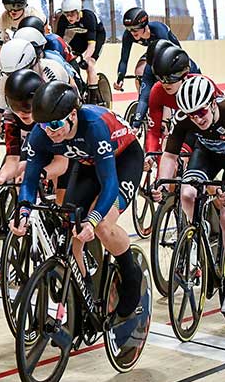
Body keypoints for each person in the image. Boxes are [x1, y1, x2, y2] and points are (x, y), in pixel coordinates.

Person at [12, 81, 144, 319]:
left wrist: (92, 221)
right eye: (44, 126)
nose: (51, 132)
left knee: (103, 226)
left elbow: (110, 185)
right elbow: (29, 181)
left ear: (72, 114)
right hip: (86, 162)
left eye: (55, 124)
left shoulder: (93, 126)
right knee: (69, 225)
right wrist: (22, 213)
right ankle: (85, 295)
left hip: (124, 160)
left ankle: (131, 272)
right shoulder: (41, 134)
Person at [155, 76, 225, 313]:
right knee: (187, 193)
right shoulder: (184, 118)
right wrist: (160, 184)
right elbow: (169, 156)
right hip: (206, 155)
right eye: (191, 115)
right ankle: (194, 237)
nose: (197, 119)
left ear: (213, 103)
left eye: (201, 112)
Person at [0, 37, 73, 154]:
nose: (16, 78)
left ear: (34, 62)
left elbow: (64, 114)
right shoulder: (5, 76)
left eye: (21, 71)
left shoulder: (50, 73)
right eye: (10, 74)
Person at [144, 43, 223, 173]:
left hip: (205, 129)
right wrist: (151, 155)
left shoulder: (202, 85)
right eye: (160, 78)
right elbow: (154, 130)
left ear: (184, 74)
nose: (165, 83)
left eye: (170, 78)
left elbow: (222, 114)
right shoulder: (157, 91)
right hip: (182, 126)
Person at [0, 68, 68, 187]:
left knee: (62, 193)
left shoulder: (53, 114)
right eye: (15, 107)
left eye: (28, 106)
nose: (22, 113)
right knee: (22, 171)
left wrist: (39, 174)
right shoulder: (11, 117)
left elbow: (62, 163)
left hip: (65, 154)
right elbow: (12, 160)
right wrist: (0, 176)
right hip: (38, 146)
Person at [118, 7, 195, 129]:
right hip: (154, 51)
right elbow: (124, 58)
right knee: (140, 71)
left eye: (134, 29)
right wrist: (120, 77)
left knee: (162, 77)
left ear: (144, 24)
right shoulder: (129, 35)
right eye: (128, 29)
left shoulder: (158, 30)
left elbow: (165, 59)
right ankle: (146, 100)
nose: (132, 32)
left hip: (172, 55)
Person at [55, 0, 107, 102]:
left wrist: (84, 58)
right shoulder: (63, 20)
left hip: (97, 36)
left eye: (72, 14)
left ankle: (93, 99)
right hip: (79, 35)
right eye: (66, 14)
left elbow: (91, 45)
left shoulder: (88, 17)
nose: (69, 17)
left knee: (89, 64)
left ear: (79, 11)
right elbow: (58, 41)